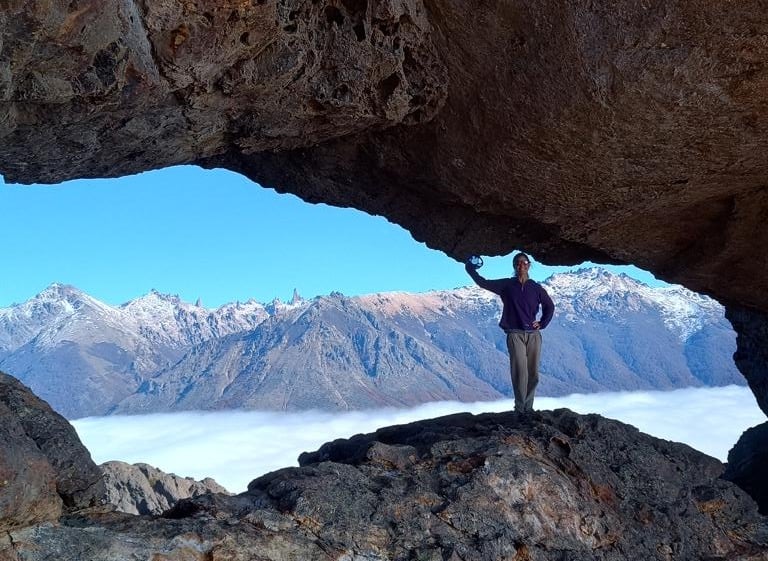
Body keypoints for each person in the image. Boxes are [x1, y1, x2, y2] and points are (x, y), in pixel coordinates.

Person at [465, 252, 555, 413]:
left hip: (533, 335)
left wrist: (542, 323)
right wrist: (470, 269)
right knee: (520, 371)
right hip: (515, 334)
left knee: (533, 373)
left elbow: (549, 306)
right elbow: (483, 283)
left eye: (524, 262)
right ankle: (520, 409)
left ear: (529, 265)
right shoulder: (506, 285)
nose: (521, 265)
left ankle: (528, 408)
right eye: (518, 263)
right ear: (514, 266)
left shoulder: (536, 288)